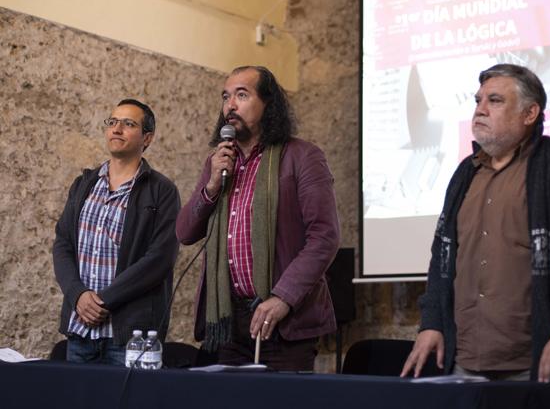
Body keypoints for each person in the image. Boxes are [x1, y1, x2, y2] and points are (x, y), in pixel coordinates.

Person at [401, 64, 550, 393]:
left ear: (530, 113)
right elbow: (441, 258)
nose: (480, 110)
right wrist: (431, 322)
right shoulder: (464, 174)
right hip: (465, 363)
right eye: (478, 101)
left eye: (495, 100)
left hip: (537, 364)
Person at [176, 65, 340, 371]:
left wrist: (283, 298)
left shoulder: (302, 157)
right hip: (229, 321)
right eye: (226, 97)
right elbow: (185, 233)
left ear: (268, 104)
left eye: (242, 95)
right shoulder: (219, 163)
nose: (230, 105)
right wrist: (211, 186)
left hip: (283, 317)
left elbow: (324, 237)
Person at [53, 99, 180, 365]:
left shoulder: (161, 190)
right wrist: (77, 295)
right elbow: (63, 245)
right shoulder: (84, 185)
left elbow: (159, 259)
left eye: (128, 123)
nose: (117, 128)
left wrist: (102, 301)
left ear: (147, 138)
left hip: (129, 338)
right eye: (112, 122)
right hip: (80, 332)